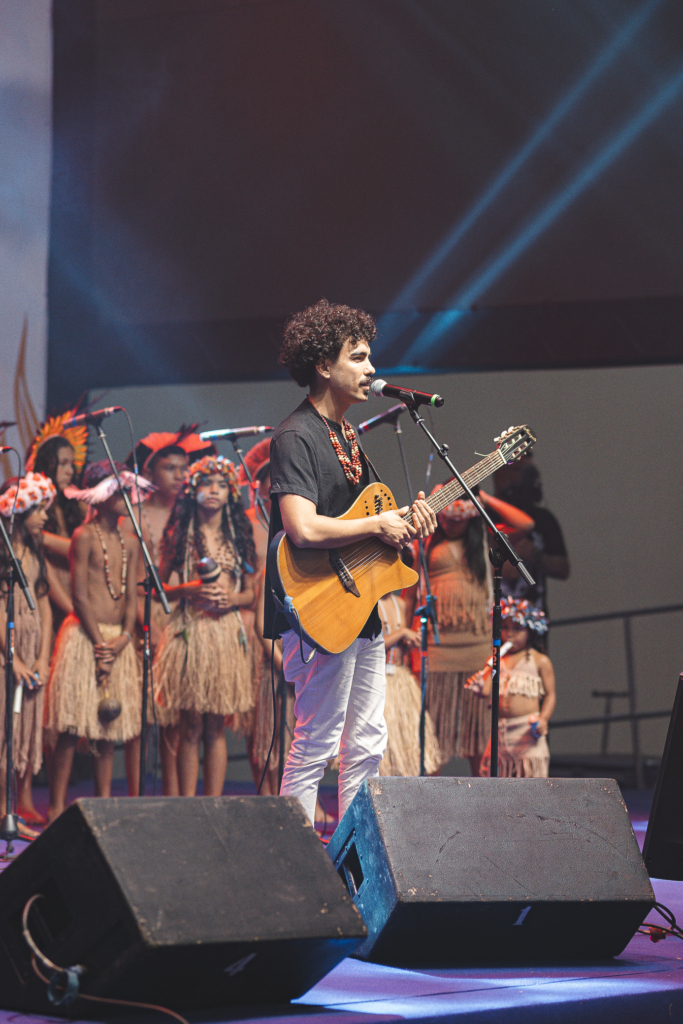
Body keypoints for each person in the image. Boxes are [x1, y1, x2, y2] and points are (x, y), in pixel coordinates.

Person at [264, 298, 437, 826]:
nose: (371, 369)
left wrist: (406, 520)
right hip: (318, 607)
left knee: (367, 740)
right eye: (358, 358)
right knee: (317, 740)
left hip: (359, 605)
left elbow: (365, 520)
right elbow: (303, 527)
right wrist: (377, 525)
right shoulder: (296, 435)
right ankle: (294, 856)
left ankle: (355, 851)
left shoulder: (347, 435)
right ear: (323, 365)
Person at [45, 462, 149, 822]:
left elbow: (132, 596)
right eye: (119, 491)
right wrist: (99, 644)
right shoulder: (84, 536)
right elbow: (80, 596)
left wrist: (124, 637)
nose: (127, 498)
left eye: (128, 491)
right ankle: (56, 808)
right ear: (99, 495)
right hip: (85, 637)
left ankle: (103, 806)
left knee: (109, 726)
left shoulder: (130, 541)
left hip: (116, 640)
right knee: (71, 727)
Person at [154, 455, 255, 797]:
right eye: (207, 483)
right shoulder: (179, 536)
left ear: (231, 493)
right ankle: (187, 806)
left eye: (222, 485)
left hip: (225, 633)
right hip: (191, 631)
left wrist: (233, 599)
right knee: (190, 725)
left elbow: (251, 593)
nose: (214, 490)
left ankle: (212, 805)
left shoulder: (238, 536)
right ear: (192, 490)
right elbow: (156, 589)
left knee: (215, 726)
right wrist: (188, 590)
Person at [123, 427, 215, 796]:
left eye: (183, 468)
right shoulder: (135, 516)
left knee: (179, 716)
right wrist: (147, 624)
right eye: (170, 468)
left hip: (184, 616)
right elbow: (132, 582)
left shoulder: (192, 515)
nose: (180, 475)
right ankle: (140, 797)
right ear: (149, 472)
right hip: (146, 616)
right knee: (145, 716)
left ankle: (176, 798)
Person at [417, 489, 534, 778]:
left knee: (479, 733)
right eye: (446, 517)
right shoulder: (427, 540)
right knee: (433, 734)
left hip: (478, 650)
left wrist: (482, 497)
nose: (450, 523)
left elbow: (525, 524)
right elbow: (410, 594)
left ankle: (482, 798)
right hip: (438, 650)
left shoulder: (486, 540)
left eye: (458, 519)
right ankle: (429, 800)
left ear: (469, 518)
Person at [0, 474, 54, 831]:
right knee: (5, 727)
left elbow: (44, 605)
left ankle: (21, 804)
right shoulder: (3, 553)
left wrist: (42, 657)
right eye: (39, 510)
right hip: (7, 652)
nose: (45, 517)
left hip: (32, 648)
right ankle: (3, 808)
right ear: (18, 511)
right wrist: (13, 657)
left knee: (25, 726)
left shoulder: (33, 551)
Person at [467, 597, 556, 778]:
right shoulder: (496, 660)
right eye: (505, 627)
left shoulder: (540, 660)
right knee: (497, 777)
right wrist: (479, 687)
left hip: (526, 732)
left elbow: (550, 695)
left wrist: (543, 719)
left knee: (528, 778)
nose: (509, 634)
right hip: (500, 732)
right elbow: (486, 691)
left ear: (530, 631)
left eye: (517, 628)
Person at [26, 411, 88, 637]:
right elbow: (44, 568)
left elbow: (85, 549)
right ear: (47, 464)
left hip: (79, 592)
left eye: (72, 464)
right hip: (48, 599)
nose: (70, 471)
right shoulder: (32, 505)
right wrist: (72, 611)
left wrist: (43, 538)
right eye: (63, 463)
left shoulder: (78, 504)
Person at [494, 454, 569, 617]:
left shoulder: (542, 519)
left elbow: (563, 569)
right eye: (515, 469)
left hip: (533, 619)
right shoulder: (483, 517)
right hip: (492, 621)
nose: (519, 477)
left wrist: (536, 555)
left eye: (525, 471)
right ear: (497, 472)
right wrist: (492, 567)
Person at [377, 590, 440, 777]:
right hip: (378, 678)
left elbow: (400, 644)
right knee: (384, 737)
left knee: (407, 737)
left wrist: (411, 641)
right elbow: (374, 645)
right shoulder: (371, 603)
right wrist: (403, 632)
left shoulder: (401, 604)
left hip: (399, 677)